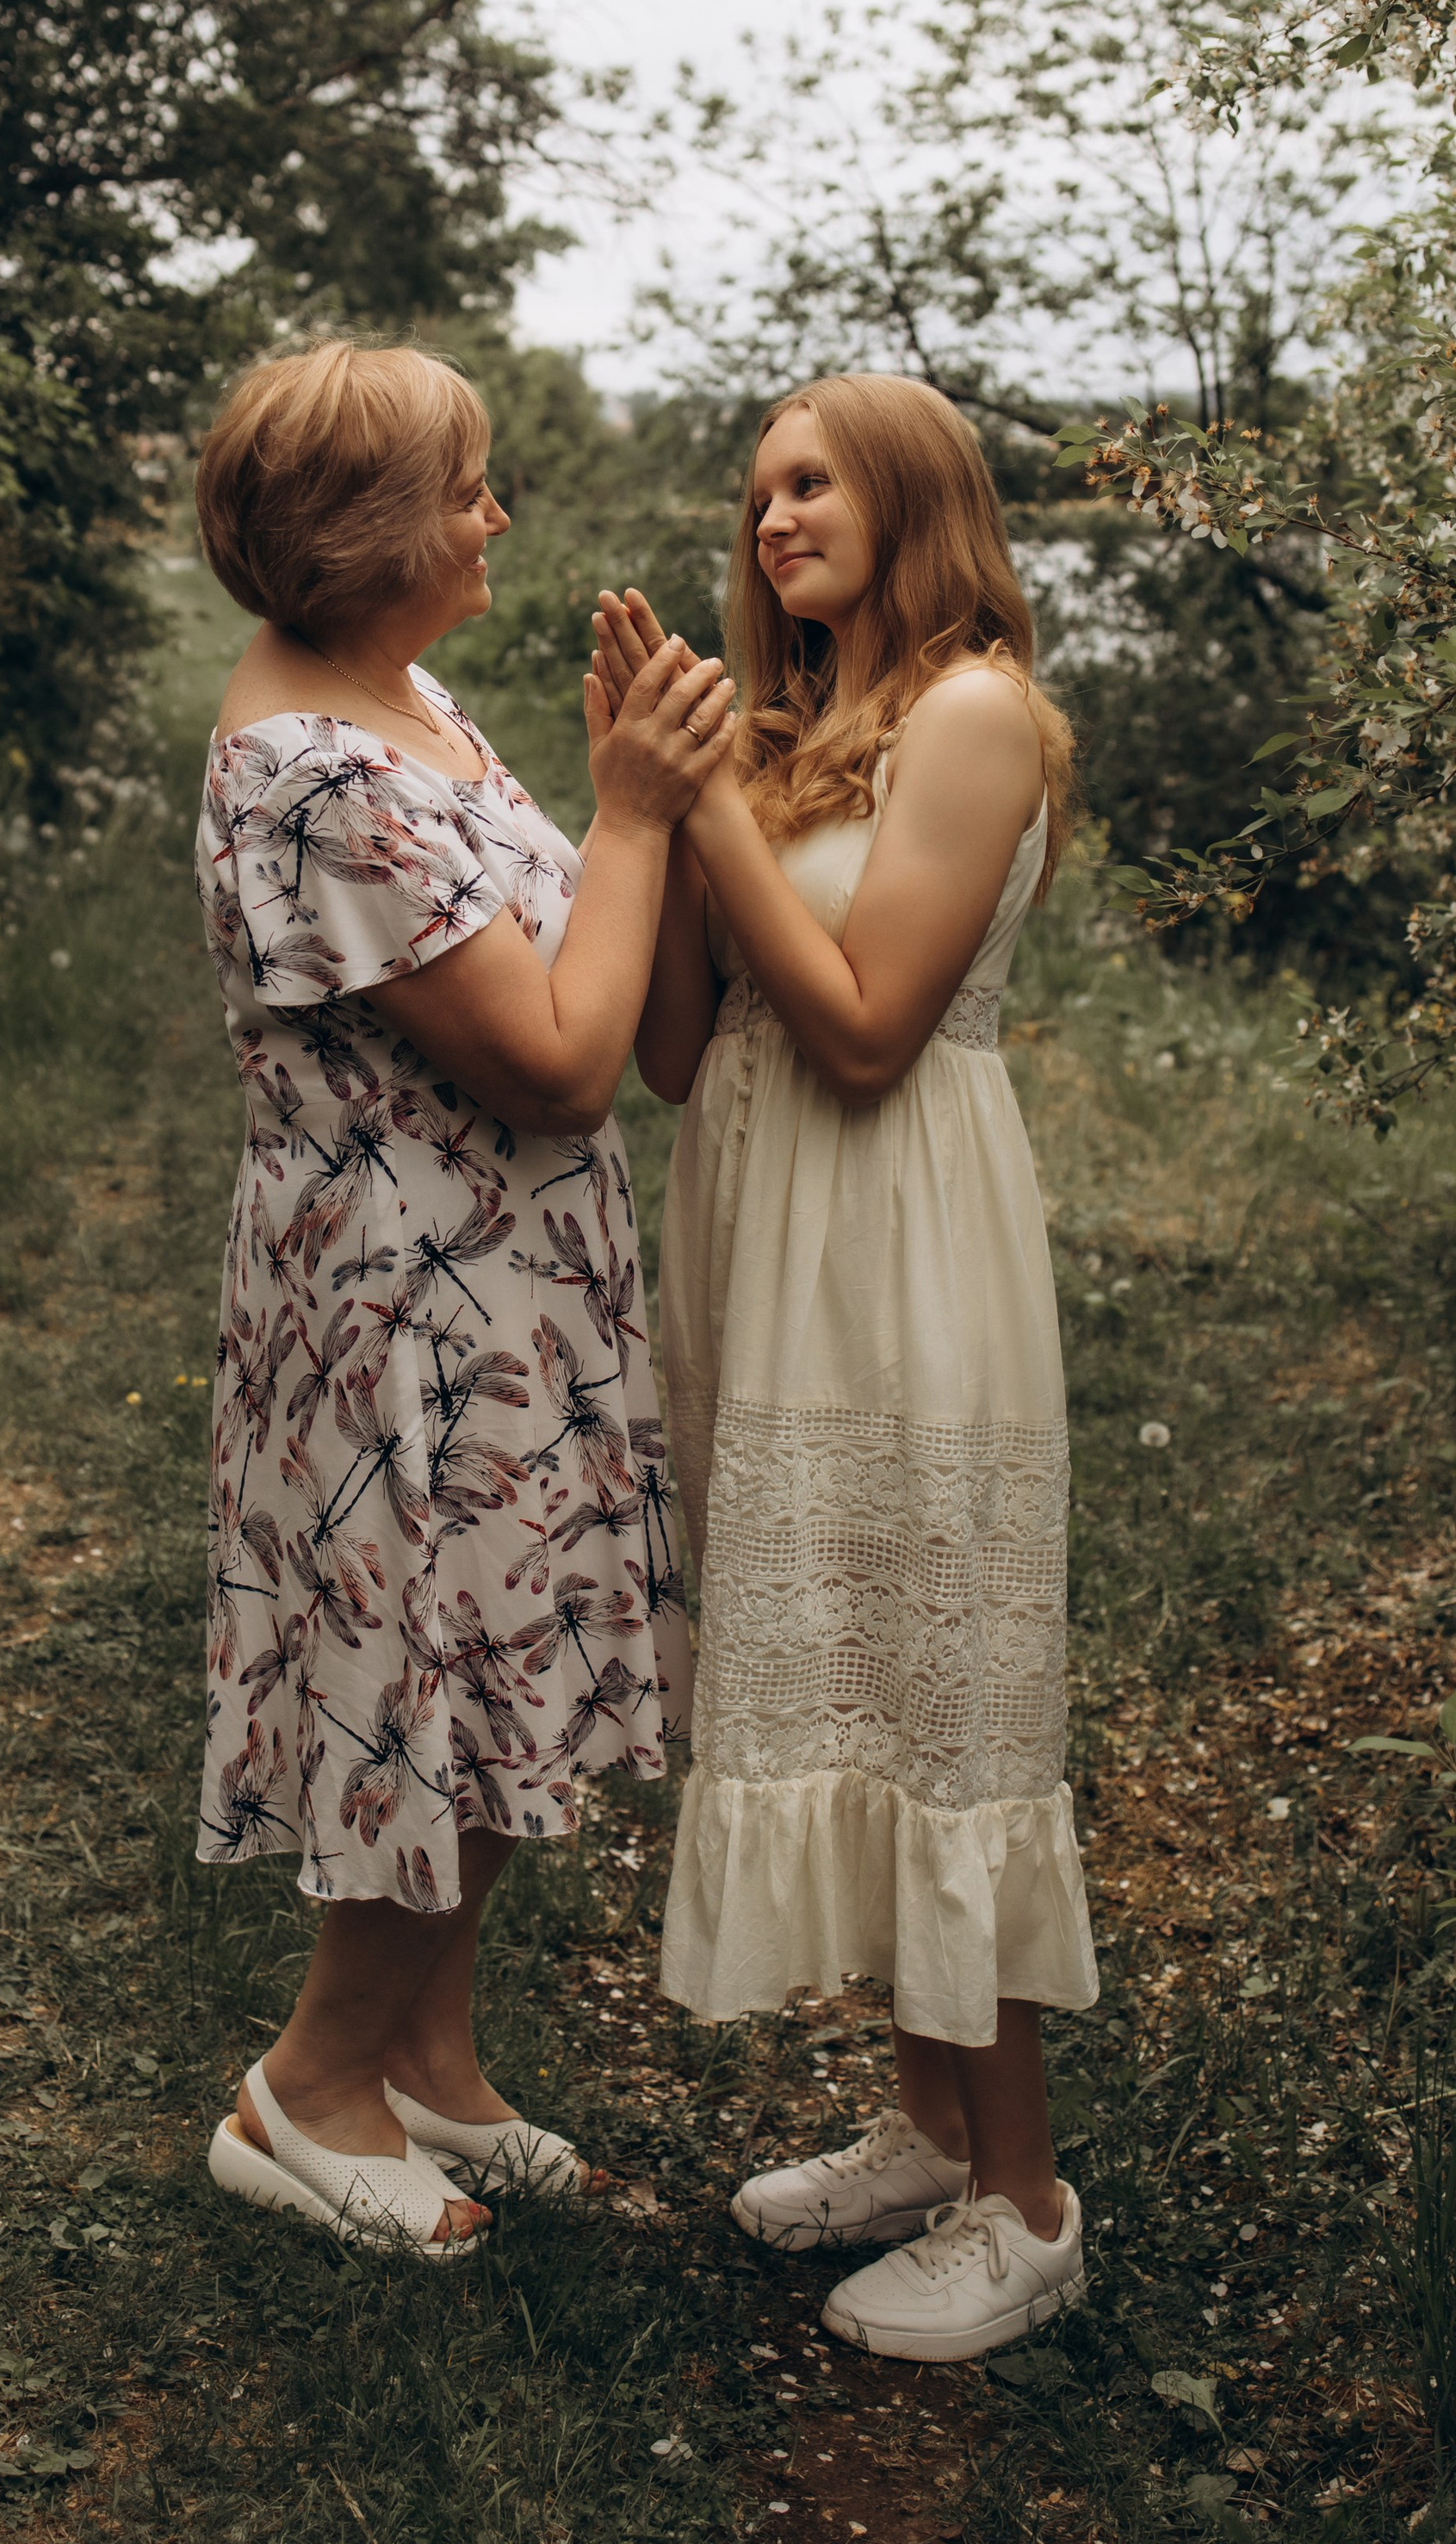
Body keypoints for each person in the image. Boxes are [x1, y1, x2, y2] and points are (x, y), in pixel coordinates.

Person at [190, 338, 734, 2258]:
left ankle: (429, 2059)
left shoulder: (401, 697)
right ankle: (305, 2089)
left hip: (504, 1290)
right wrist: (645, 806)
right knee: (442, 1686)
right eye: (467, 490)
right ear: (365, 538)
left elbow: (560, 935)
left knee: (500, 1689)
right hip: (410, 1316)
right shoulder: (317, 774)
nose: (495, 515)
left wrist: (660, 815)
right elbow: (560, 1060)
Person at [590, 372, 1099, 2361]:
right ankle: (918, 2124)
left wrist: (708, 801)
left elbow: (872, 1025)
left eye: (807, 481)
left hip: (901, 1250)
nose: (771, 515)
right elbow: (666, 1047)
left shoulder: (973, 712)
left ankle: (1026, 2198)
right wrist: (643, 793)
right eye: (753, 493)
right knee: (859, 1668)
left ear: (907, 495)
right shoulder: (797, 741)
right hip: (766, 1248)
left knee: (947, 1692)